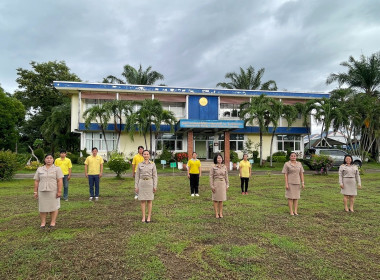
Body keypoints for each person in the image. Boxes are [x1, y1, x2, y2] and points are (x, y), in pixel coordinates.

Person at [33, 154, 64, 229]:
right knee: (42, 208)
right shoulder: (40, 169)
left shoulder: (57, 169)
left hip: (53, 191)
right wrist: (35, 191)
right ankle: (43, 222)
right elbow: (37, 181)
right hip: (42, 191)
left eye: (50, 158)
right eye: (47, 158)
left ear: (53, 160)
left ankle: (53, 222)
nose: (49, 160)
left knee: (53, 207)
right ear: (44, 160)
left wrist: (59, 191)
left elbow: (60, 180)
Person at [135, 150, 157, 223]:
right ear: (143, 155)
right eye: (145, 154)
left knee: (149, 200)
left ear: (149, 155)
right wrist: (136, 186)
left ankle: (149, 217)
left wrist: (155, 186)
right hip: (142, 183)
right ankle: (143, 217)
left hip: (149, 183)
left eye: (147, 154)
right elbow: (137, 176)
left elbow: (155, 176)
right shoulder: (139, 164)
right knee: (142, 200)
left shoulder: (153, 164)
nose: (146, 155)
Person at [209, 154, 229, 218]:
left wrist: (227, 184)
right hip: (216, 184)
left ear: (222, 159)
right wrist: (212, 186)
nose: (219, 159)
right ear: (216, 159)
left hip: (223, 184)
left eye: (220, 158)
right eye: (218, 158)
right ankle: (216, 213)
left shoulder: (224, 166)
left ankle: (220, 213)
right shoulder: (213, 167)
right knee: (215, 199)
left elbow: (226, 176)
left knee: (221, 199)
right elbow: (211, 176)